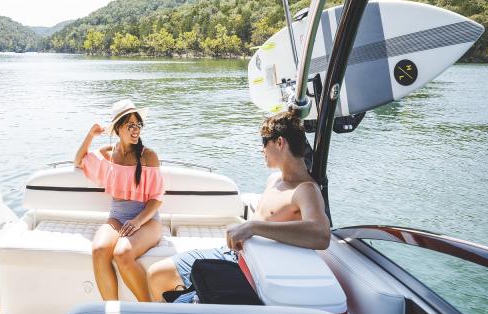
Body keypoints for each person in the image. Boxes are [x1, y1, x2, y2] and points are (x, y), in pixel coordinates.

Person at [146, 109, 330, 302]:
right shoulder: (274, 179)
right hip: (233, 254)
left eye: (264, 142)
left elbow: (321, 234)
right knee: (157, 273)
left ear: (279, 142)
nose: (262, 150)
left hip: (250, 271)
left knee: (177, 295)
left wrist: (252, 226)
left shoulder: (305, 190)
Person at [74, 99, 164, 302]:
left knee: (122, 253)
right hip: (117, 217)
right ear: (118, 128)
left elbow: (157, 198)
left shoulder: (148, 156)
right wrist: (90, 135)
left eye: (138, 125)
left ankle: (147, 310)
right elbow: (78, 161)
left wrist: (138, 221)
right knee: (99, 250)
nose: (136, 130)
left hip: (147, 220)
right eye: (130, 125)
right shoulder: (108, 154)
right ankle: (112, 313)